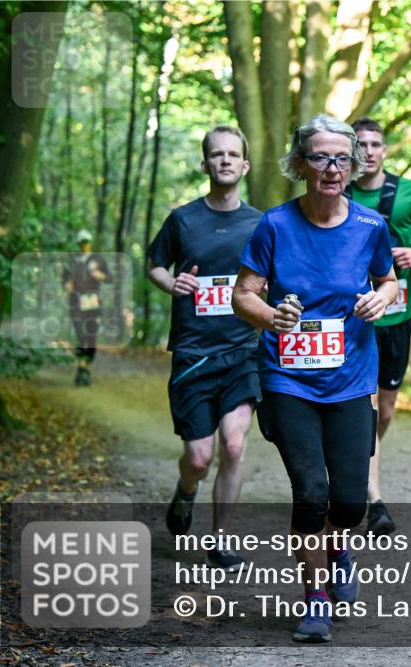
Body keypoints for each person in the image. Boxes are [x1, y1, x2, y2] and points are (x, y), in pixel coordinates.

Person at [232, 113, 397, 643]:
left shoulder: (371, 227)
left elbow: (390, 281)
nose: (332, 167)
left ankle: (340, 545)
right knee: (311, 493)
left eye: (342, 158)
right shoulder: (275, 225)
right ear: (300, 164)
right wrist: (272, 316)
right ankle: (315, 599)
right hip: (288, 379)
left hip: (350, 377)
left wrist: (380, 298)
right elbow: (244, 294)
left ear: (354, 166)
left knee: (350, 502)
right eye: (321, 157)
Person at [146, 125, 262, 570]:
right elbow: (154, 264)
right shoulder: (183, 219)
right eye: (218, 154)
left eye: (234, 154)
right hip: (194, 353)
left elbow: (275, 275)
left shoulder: (259, 223)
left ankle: (221, 540)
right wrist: (171, 283)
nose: (226, 160)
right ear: (205, 164)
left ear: (245, 165)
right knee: (199, 456)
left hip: (242, 350)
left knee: (234, 446)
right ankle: (186, 489)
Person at [348, 117, 411, 535]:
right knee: (366, 407)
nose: (369, 151)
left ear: (385, 150)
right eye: (361, 144)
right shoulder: (336, 191)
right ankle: (375, 500)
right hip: (353, 317)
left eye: (375, 144)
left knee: (385, 410)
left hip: (399, 315)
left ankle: (363, 460)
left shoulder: (410, 193)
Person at [63, 229, 111, 386]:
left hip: (92, 302)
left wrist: (100, 275)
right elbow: (64, 280)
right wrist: (67, 285)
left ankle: (84, 368)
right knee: (80, 336)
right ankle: (81, 369)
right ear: (78, 243)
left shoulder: (98, 259)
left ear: (90, 243)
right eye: (81, 242)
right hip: (76, 302)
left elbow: (110, 278)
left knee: (91, 337)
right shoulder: (72, 260)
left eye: (86, 242)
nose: (84, 245)